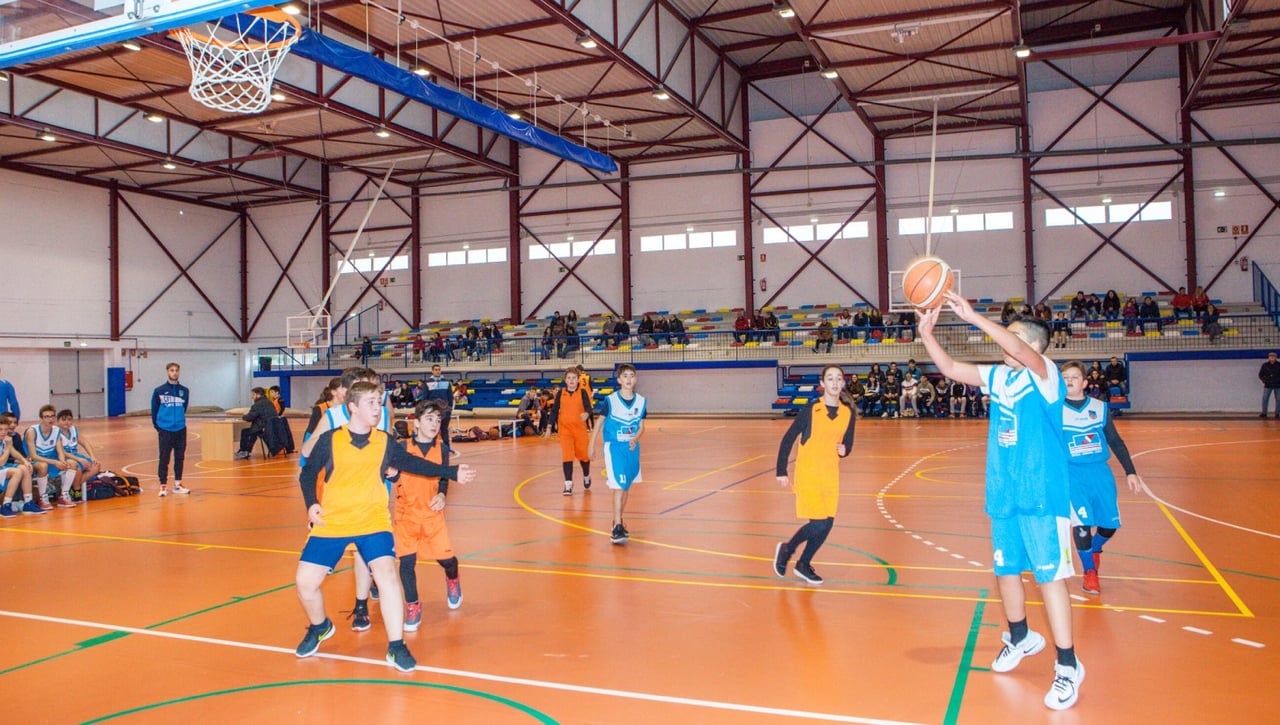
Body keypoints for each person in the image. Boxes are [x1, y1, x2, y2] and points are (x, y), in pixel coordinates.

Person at [918, 290, 1083, 711]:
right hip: (1004, 490)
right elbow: (951, 369)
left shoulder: (1046, 375)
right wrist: (928, 335)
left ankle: (1068, 665)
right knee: (1005, 570)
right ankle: (1021, 636)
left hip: (1042, 493)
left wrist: (974, 317)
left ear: (1034, 345)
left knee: (1049, 578)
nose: (1004, 341)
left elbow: (1018, 350)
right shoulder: (1000, 377)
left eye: (1014, 336)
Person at [294, 381, 475, 671]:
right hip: (334, 520)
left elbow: (414, 464)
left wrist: (450, 472)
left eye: (379, 402)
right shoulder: (330, 440)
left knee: (388, 576)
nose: (378, 408)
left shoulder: (385, 442)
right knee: (305, 583)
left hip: (372, 520)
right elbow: (307, 474)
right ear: (353, 407)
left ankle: (396, 645)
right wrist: (311, 503)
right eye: (371, 403)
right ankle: (319, 626)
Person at [1060, 361, 1143, 596]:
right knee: (1081, 525)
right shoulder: (1053, 410)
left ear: (1085, 382)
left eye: (1074, 377)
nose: (1069, 380)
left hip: (1100, 473)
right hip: (1072, 474)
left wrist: (1130, 471)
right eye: (1065, 377)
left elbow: (1115, 441)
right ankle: (1090, 572)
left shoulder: (1099, 408)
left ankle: (1094, 549)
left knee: (1109, 525)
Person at [772, 365, 856, 585]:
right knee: (819, 523)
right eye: (830, 378)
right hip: (808, 473)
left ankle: (803, 564)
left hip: (831, 475)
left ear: (843, 383)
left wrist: (845, 450)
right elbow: (788, 438)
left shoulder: (848, 413)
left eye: (838, 378)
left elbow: (848, 443)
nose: (835, 382)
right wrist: (781, 470)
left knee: (827, 524)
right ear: (822, 383)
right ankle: (788, 549)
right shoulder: (811, 410)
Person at [391, 399, 468, 629]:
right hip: (406, 514)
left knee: (446, 560)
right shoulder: (401, 448)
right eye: (429, 419)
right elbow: (392, 474)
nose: (435, 424)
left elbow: (443, 477)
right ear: (416, 422)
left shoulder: (441, 449)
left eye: (438, 419)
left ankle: (453, 579)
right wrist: (392, 475)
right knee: (406, 563)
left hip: (432, 513)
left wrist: (442, 494)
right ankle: (413, 605)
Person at [588, 364, 647, 544]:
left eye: (631, 375)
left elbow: (641, 426)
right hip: (614, 447)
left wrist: (635, 438)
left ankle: (618, 520)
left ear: (635, 379)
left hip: (631, 448)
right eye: (625, 376)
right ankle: (617, 527)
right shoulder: (611, 400)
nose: (629, 379)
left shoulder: (641, 401)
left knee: (626, 486)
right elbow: (599, 423)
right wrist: (591, 444)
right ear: (619, 380)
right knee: (619, 486)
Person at [547, 366, 593, 495]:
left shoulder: (582, 393)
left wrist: (587, 414)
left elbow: (589, 408)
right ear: (565, 380)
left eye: (574, 378)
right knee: (567, 456)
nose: (572, 380)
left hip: (580, 430)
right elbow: (554, 410)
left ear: (578, 380)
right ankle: (568, 484)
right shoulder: (561, 394)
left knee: (584, 456)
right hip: (565, 430)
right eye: (569, 378)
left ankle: (586, 474)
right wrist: (549, 426)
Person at [151, 362, 190, 497]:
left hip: (180, 429)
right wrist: (159, 426)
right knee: (164, 458)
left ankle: (178, 484)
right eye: (172, 370)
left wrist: (179, 421)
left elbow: (184, 408)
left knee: (179, 457)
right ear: (167, 372)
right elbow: (154, 410)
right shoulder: (159, 391)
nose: (175, 373)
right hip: (165, 430)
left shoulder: (184, 391)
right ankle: (163, 485)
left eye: (177, 370)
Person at [25, 405, 67, 510]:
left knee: (71, 464)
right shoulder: (32, 431)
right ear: (41, 418)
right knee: (43, 466)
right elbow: (33, 456)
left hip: (50, 459)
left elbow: (60, 450)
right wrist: (55, 462)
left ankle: (64, 495)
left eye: (52, 416)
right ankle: (42, 498)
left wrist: (62, 461)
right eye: (47, 416)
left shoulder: (56, 430)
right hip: (34, 461)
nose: (50, 419)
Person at [55, 409, 100, 504]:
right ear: (58, 421)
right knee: (77, 468)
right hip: (64, 456)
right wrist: (79, 459)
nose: (66, 422)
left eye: (69, 419)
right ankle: (77, 490)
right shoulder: (55, 432)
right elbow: (61, 451)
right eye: (63, 419)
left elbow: (85, 443)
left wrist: (92, 456)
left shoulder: (73, 430)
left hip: (75, 455)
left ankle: (72, 486)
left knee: (96, 465)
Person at [0, 416, 38, 517]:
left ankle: (28, 502)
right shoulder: (6, 442)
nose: (3, 432)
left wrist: (25, 462)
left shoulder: (4, 440)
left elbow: (15, 452)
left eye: (5, 429)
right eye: (0, 429)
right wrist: (8, 447)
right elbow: (1, 463)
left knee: (25, 468)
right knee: (17, 471)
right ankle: (6, 504)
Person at [235, 387, 279, 459]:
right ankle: (246, 451)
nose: (252, 397)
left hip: (263, 428)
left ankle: (244, 451)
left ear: (258, 394)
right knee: (253, 431)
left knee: (247, 432)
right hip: (271, 427)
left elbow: (249, 417)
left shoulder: (257, 405)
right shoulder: (269, 402)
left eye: (253, 395)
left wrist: (244, 416)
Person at [420, 364, 454, 435]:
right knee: (433, 430)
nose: (438, 371)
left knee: (444, 429)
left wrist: (449, 408)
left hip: (445, 409)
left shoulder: (446, 382)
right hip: (433, 409)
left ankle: (445, 442)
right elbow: (424, 398)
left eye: (439, 370)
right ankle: (433, 442)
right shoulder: (427, 383)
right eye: (436, 370)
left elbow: (450, 396)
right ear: (432, 371)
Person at [1260, 352, 1280, 418]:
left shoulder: (1279, 365)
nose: (1272, 358)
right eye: (1270, 356)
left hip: (1278, 385)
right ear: (1268, 357)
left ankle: (1277, 413)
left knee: (1279, 399)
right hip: (1268, 385)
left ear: (1276, 357)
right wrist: (1265, 380)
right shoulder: (1265, 365)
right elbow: (1261, 374)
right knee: (1265, 399)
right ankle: (1264, 413)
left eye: (1273, 356)